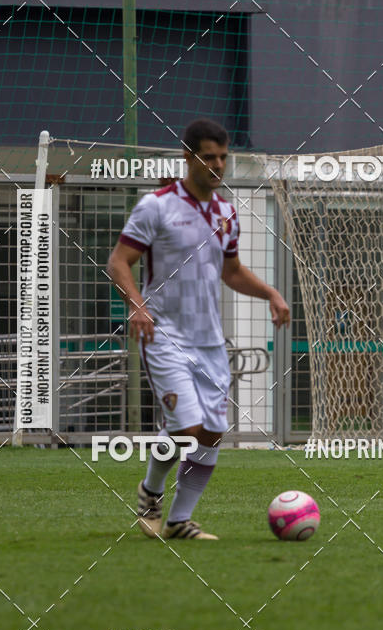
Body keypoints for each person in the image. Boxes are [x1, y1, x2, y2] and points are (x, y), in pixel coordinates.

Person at [107, 118, 290, 540]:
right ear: (187, 157)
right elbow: (119, 261)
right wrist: (137, 305)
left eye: (223, 157)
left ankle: (177, 519)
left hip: (209, 342)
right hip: (165, 335)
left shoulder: (226, 211)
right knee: (186, 426)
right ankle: (151, 492)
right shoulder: (156, 206)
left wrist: (271, 294)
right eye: (209, 157)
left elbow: (232, 272)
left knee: (210, 433)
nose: (218, 165)